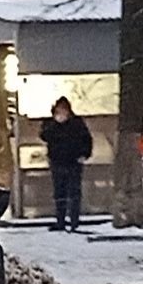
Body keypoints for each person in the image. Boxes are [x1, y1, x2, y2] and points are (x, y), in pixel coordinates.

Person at [39, 96, 93, 231]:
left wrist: (84, 154)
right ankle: (61, 221)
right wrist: (55, 123)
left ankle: (74, 221)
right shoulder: (51, 124)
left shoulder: (76, 123)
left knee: (74, 192)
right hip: (57, 162)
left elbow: (86, 139)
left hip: (73, 162)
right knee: (59, 193)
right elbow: (44, 135)